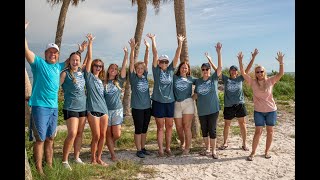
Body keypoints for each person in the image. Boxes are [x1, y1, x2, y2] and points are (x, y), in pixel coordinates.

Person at [25, 21, 67, 175]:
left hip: (54, 107)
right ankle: (39, 169)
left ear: (57, 55)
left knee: (50, 138)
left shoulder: (58, 66)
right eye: (50, 52)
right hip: (40, 106)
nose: (52, 54)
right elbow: (26, 50)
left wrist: (80, 50)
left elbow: (72, 60)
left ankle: (49, 166)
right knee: (40, 139)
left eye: (55, 52)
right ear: (45, 54)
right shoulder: (38, 64)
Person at [205, 49, 259, 151]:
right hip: (228, 106)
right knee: (227, 124)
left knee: (242, 124)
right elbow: (218, 70)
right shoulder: (226, 79)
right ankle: (225, 143)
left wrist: (253, 58)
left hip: (239, 105)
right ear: (229, 72)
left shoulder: (240, 78)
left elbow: (247, 69)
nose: (233, 71)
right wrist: (210, 60)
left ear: (237, 72)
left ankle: (244, 144)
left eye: (235, 70)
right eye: (232, 70)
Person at [237, 51, 285, 161]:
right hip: (258, 111)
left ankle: (267, 151)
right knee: (258, 131)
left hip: (271, 110)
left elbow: (280, 74)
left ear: (264, 72)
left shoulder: (270, 81)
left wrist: (281, 63)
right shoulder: (253, 82)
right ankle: (253, 152)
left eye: (261, 71)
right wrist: (240, 61)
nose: (260, 73)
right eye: (257, 72)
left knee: (270, 131)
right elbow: (243, 73)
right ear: (255, 73)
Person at [146, 33, 185, 157]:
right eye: (161, 61)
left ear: (168, 63)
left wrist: (180, 43)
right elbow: (155, 53)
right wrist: (153, 40)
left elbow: (177, 56)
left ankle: (168, 148)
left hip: (170, 102)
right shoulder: (156, 71)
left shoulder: (170, 70)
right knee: (160, 127)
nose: (163, 63)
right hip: (158, 102)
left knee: (169, 126)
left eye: (165, 61)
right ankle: (161, 149)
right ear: (158, 63)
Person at [60, 41, 89, 170]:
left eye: (77, 60)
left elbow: (89, 59)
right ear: (69, 61)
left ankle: (76, 157)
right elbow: (55, 87)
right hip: (70, 107)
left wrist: (86, 48)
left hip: (83, 107)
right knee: (72, 133)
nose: (75, 62)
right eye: (73, 60)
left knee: (79, 133)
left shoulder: (82, 72)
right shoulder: (65, 73)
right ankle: (64, 161)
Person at [194, 42, 222, 159]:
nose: (205, 71)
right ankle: (207, 149)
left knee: (212, 130)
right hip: (202, 110)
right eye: (203, 69)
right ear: (201, 70)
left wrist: (218, 53)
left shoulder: (213, 79)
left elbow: (219, 68)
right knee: (204, 131)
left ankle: (214, 151)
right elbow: (196, 94)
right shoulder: (198, 81)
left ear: (209, 70)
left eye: (207, 69)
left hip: (213, 109)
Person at [84, 33, 109, 166]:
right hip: (92, 109)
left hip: (104, 110)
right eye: (96, 65)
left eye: (100, 66)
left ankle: (99, 158)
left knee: (103, 136)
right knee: (96, 136)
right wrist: (90, 44)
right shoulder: (88, 77)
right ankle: (92, 159)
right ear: (93, 66)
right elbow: (90, 58)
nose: (98, 67)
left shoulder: (101, 80)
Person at [128, 38, 152, 158]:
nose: (140, 70)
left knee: (144, 129)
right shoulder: (133, 78)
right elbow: (132, 63)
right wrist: (132, 49)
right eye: (138, 69)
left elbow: (146, 61)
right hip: (137, 108)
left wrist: (147, 48)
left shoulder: (145, 76)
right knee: (138, 129)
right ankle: (138, 150)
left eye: (142, 69)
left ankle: (143, 148)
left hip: (147, 107)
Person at [104, 46, 128, 162]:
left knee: (117, 134)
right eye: (111, 68)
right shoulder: (103, 82)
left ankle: (109, 144)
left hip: (117, 110)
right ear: (108, 70)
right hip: (106, 111)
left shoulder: (119, 81)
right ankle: (112, 154)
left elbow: (124, 68)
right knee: (108, 133)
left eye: (115, 69)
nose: (113, 70)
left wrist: (126, 55)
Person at [173, 61, 197, 155]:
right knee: (179, 127)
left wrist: (194, 96)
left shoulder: (191, 79)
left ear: (188, 70)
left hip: (188, 104)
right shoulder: (174, 78)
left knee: (186, 127)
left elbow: (201, 82)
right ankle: (182, 143)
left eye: (186, 68)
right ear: (179, 69)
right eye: (182, 67)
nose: (184, 69)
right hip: (176, 104)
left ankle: (187, 148)